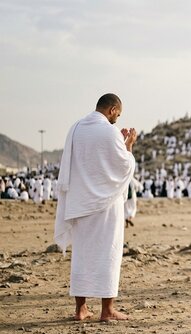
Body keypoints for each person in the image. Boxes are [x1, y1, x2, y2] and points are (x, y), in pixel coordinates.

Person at [54, 93, 137, 321]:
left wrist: (118, 142)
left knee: (81, 254)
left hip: (80, 201)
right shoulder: (109, 131)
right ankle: (107, 311)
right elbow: (123, 167)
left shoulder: (76, 128)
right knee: (108, 253)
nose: (116, 120)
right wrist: (128, 146)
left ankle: (80, 309)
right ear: (111, 109)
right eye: (117, 115)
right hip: (106, 204)